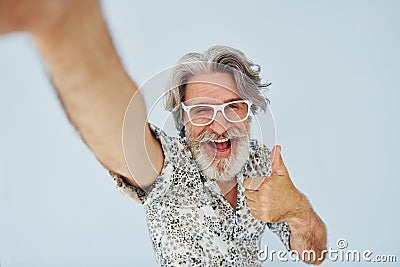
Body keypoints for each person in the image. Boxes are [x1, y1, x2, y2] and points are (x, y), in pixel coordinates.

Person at [0, 0, 327, 266]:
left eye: (233, 107)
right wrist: (65, 27)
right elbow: (124, 139)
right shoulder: (172, 168)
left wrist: (297, 208)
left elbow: (315, 254)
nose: (220, 124)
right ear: (182, 121)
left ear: (249, 110)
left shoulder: (260, 161)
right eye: (201, 111)